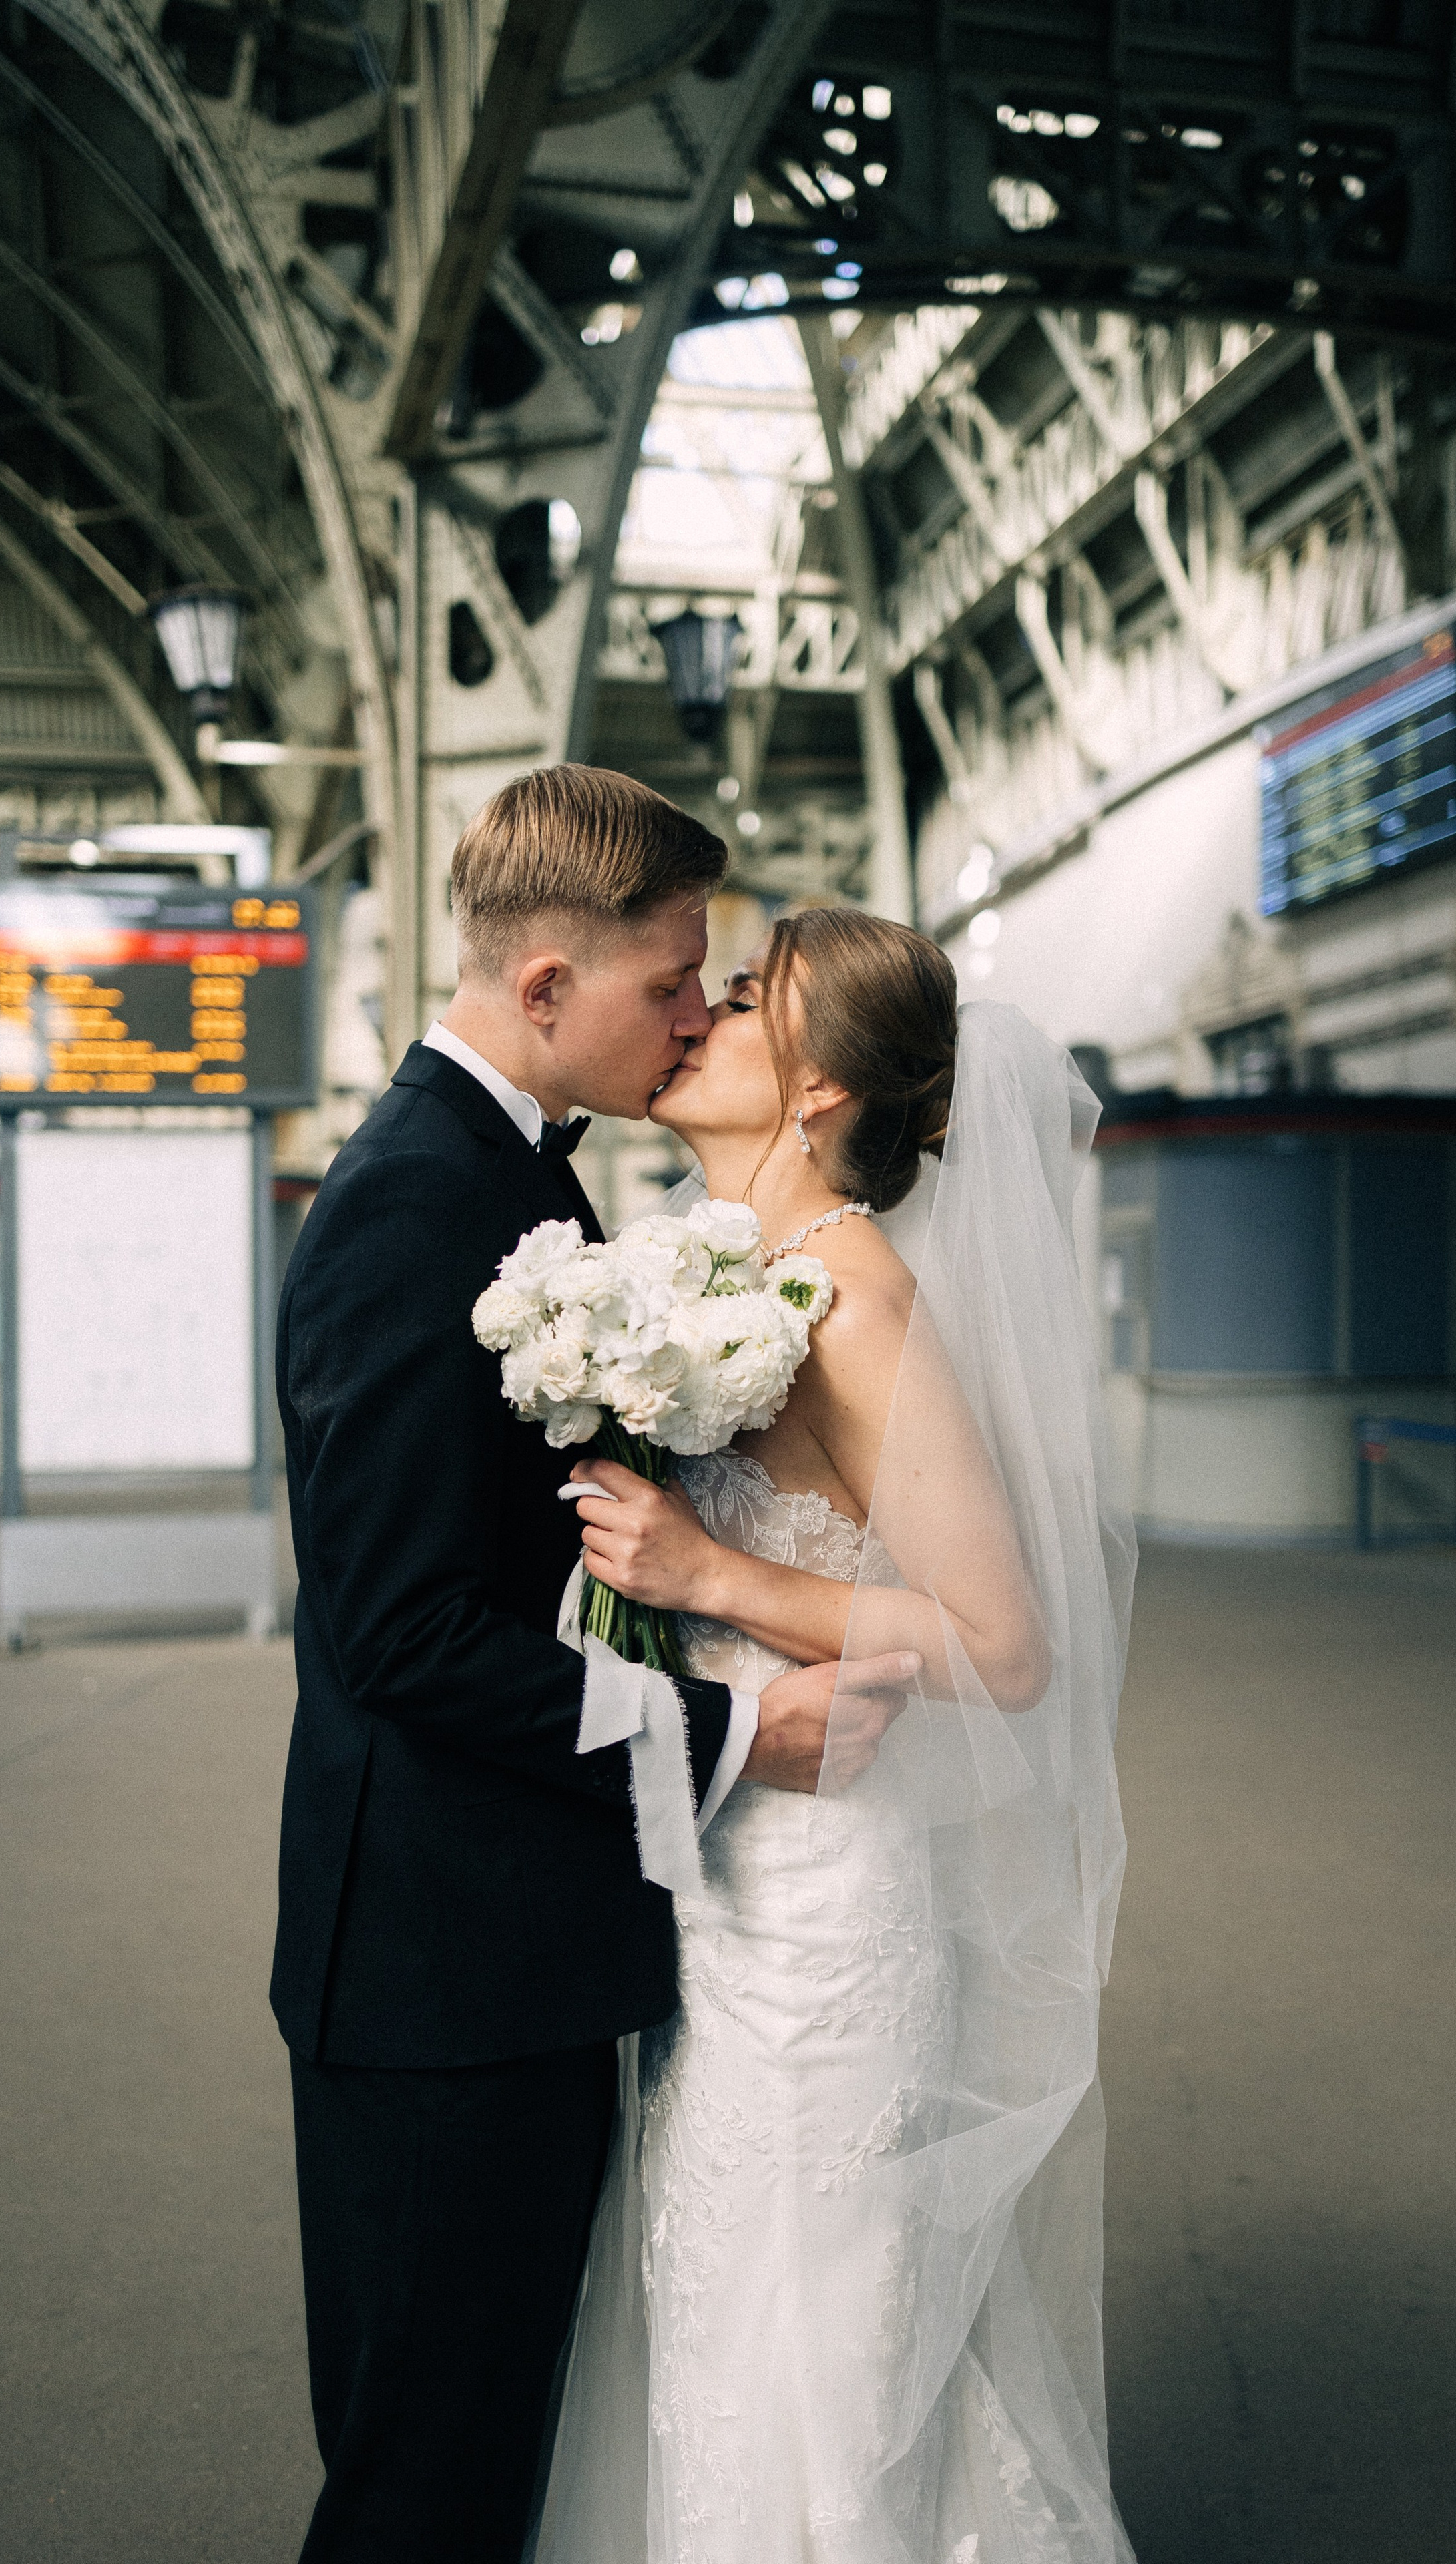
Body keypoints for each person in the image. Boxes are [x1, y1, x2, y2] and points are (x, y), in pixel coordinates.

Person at [269, 770, 918, 2564]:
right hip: (437, 1971)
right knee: (428, 2483)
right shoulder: (414, 1208)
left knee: (488, 2458)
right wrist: (724, 1731)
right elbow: (398, 1634)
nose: (697, 1012)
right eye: (672, 981)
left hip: (524, 1938)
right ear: (545, 985)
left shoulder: (505, 1179)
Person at [537, 908, 1138, 2564]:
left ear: (812, 1094)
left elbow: (1004, 1646)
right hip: (716, 1873)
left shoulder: (853, 1298)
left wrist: (715, 1572)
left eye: (739, 1003)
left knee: (810, 2334)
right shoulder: (698, 1268)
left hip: (825, 1907)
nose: (695, 1019)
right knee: (712, 2300)